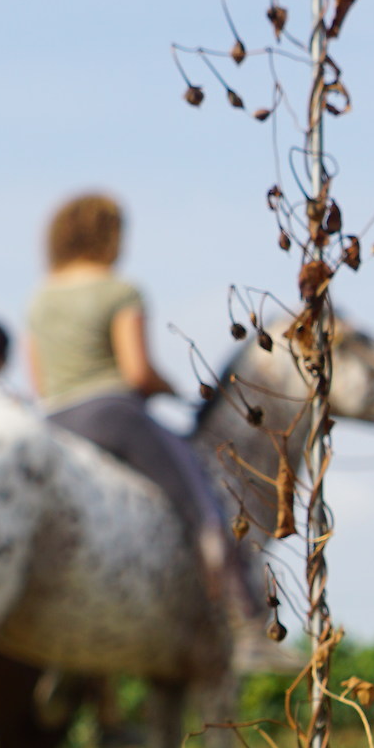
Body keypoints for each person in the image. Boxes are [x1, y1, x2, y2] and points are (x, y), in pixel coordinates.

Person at [24, 192, 258, 641]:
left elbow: (40, 385)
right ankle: (243, 621)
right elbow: (135, 371)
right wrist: (168, 386)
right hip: (113, 415)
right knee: (205, 498)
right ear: (107, 235)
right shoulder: (119, 290)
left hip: (55, 421)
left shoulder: (40, 299)